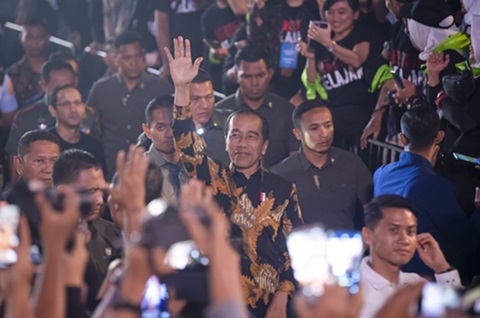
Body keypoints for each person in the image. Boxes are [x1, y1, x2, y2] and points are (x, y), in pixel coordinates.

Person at [167, 36, 304, 318]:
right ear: (226, 141)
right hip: (219, 301)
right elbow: (185, 141)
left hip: (271, 307)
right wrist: (181, 88)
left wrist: (283, 294)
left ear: (265, 146)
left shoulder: (282, 188)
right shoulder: (212, 178)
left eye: (251, 136)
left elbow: (296, 247)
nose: (242, 144)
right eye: (235, 136)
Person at [373, 106, 480, 282]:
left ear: (402, 138)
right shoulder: (435, 186)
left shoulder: (381, 173)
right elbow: (468, 242)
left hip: (389, 274)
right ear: (440, 136)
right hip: (425, 282)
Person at [271, 100, 372, 229]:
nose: (324, 134)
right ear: (298, 134)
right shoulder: (280, 174)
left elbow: (372, 210)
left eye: (328, 125)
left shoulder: (351, 163)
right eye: (314, 128)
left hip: (345, 246)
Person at [86, 32, 173, 181]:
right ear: (116, 57)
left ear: (143, 56)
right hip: (111, 170)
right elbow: (89, 128)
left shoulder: (160, 87)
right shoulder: (101, 89)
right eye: (127, 58)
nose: (134, 63)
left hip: (152, 173)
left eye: (138, 56)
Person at [360, 194, 462, 318]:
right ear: (368, 235)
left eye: (410, 232)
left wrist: (442, 267)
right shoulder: (349, 291)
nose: (404, 240)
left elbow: (459, 313)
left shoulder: (416, 283)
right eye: (393, 230)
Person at [52, 149, 122, 311]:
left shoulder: (112, 232)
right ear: (63, 192)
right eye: (90, 191)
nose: (99, 200)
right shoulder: (40, 241)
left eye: (100, 190)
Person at [4, 59, 96, 182]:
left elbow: (96, 151)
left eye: (69, 85)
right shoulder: (27, 116)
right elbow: (15, 159)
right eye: (57, 87)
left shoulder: (86, 114)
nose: (63, 91)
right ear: (43, 85)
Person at [301, 0, 374, 150]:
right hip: (333, 115)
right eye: (330, 12)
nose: (335, 18)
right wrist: (310, 55)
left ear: (355, 14)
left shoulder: (361, 33)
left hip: (359, 113)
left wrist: (329, 44)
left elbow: (357, 60)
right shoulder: (321, 42)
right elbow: (312, 79)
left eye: (341, 12)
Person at [216, 46, 299, 168]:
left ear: (270, 74)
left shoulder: (287, 111)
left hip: (278, 184)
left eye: (260, 76)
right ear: (236, 75)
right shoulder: (219, 111)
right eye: (247, 77)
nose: (254, 82)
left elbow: (296, 161)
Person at [47, 84, 106, 171]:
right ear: (53, 110)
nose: (73, 109)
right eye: (66, 104)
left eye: (77, 103)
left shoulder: (94, 146)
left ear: (83, 108)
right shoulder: (45, 145)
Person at [142, 95, 190, 204]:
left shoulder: (196, 165)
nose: (169, 134)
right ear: (147, 130)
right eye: (161, 127)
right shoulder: (140, 171)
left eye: (173, 126)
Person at [7, 16, 50, 108]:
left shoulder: (57, 70)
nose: (35, 42)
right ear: (21, 38)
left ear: (47, 39)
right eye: (29, 37)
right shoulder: (12, 74)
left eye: (39, 37)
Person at [190, 69, 230, 165]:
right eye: (195, 99)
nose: (204, 105)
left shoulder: (230, 123)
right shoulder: (168, 129)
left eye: (209, 97)